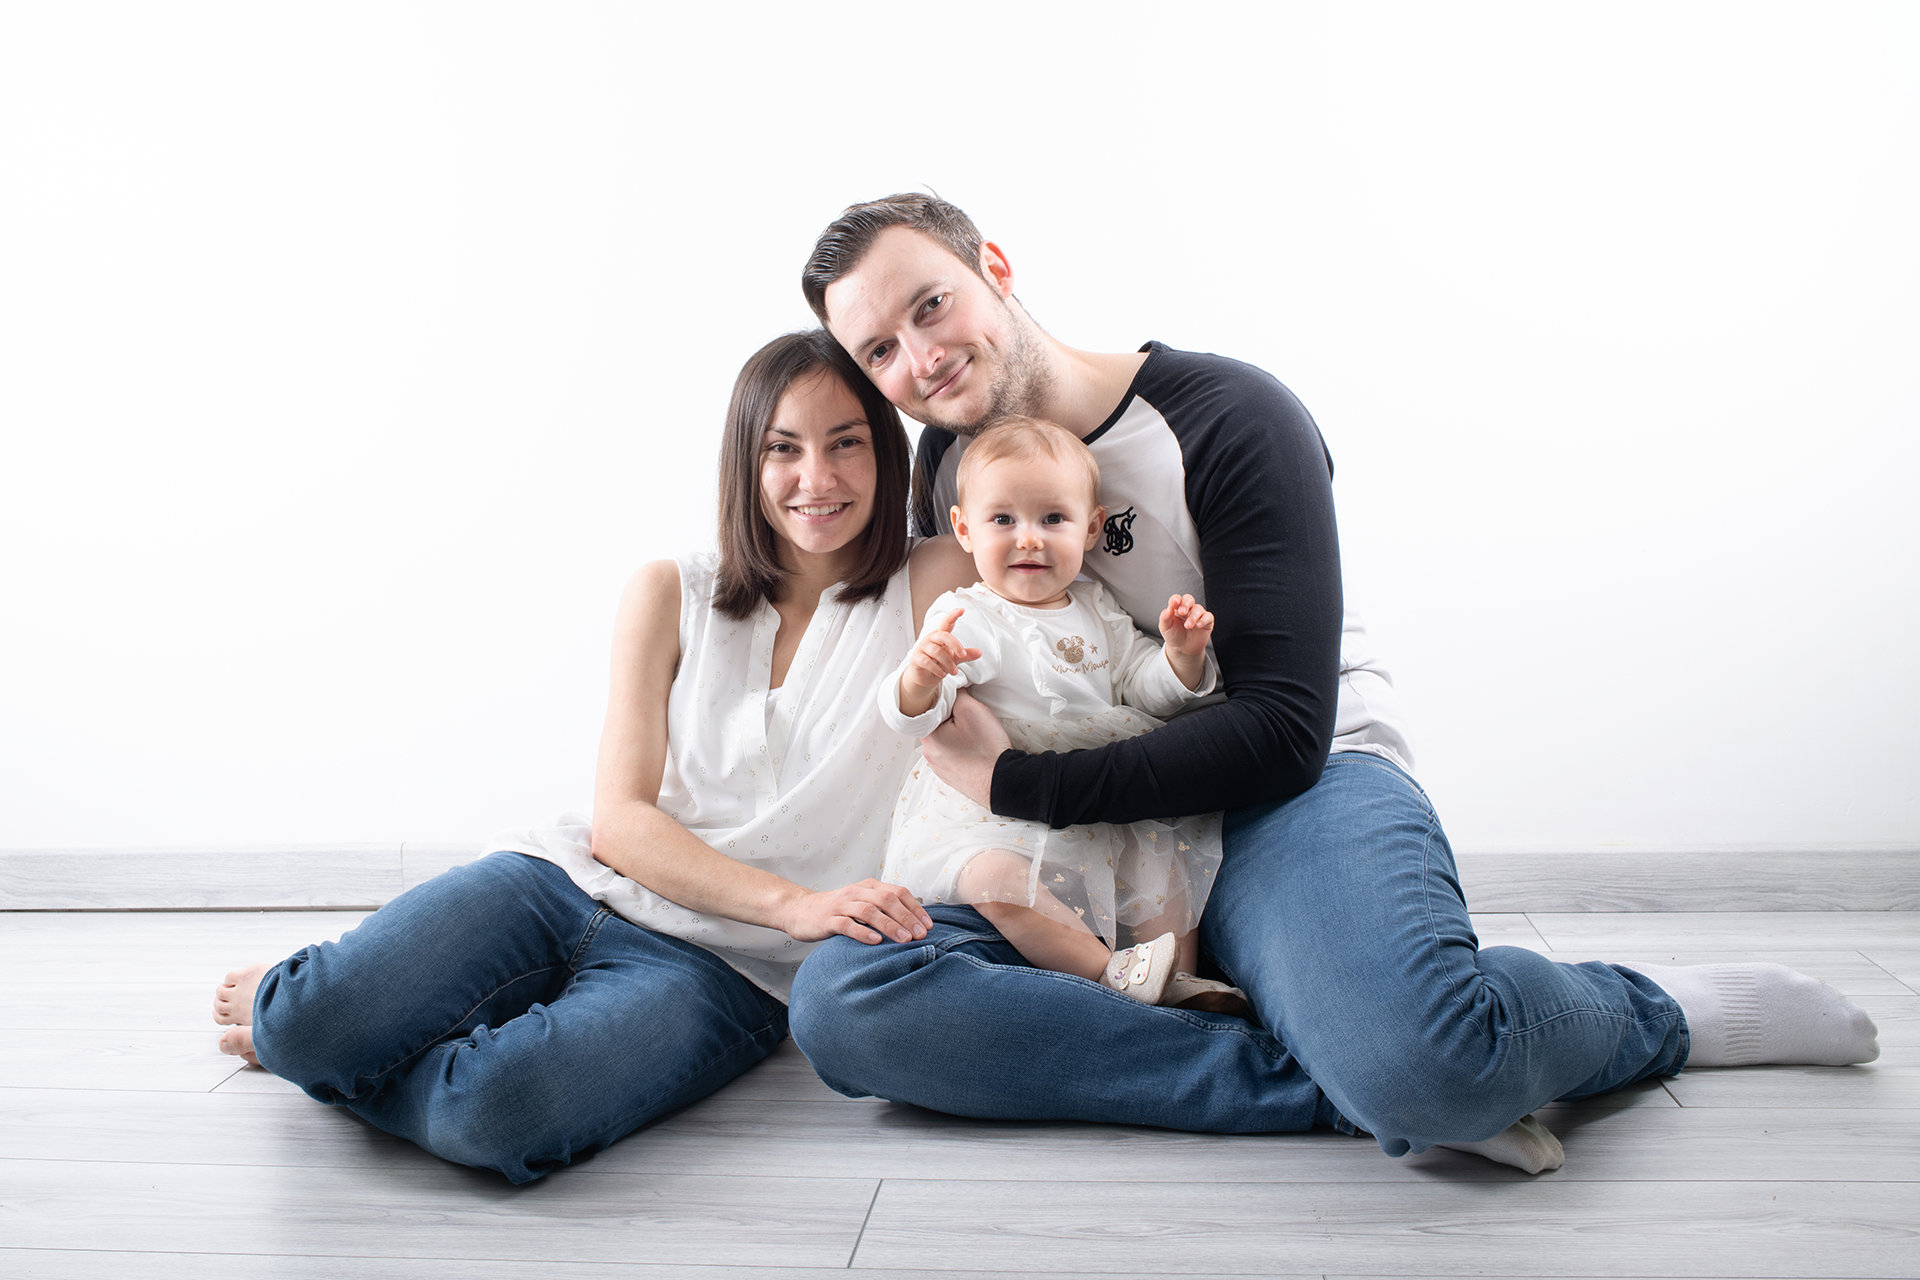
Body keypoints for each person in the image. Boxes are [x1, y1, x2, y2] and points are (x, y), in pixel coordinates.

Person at [787, 192, 1880, 1176]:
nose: (919, 359)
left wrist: (1015, 782)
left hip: (1286, 797)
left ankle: (1637, 1016)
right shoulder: (948, 473)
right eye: (880, 348)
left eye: (931, 307)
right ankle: (1354, 1070)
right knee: (847, 1004)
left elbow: (1283, 731)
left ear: (996, 266)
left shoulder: (1226, 416)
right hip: (1081, 842)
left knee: (1427, 1064)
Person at [210, 330, 975, 1183]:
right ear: (744, 464)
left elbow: (1033, 491)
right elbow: (620, 821)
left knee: (491, 1112)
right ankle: (312, 1035)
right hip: (559, 882)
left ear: (890, 452)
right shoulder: (670, 588)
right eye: (782, 450)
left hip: (729, 969)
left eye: (847, 444)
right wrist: (796, 902)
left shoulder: (934, 578)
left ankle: (318, 1047)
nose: (818, 480)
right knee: (313, 1021)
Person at [879, 415, 1247, 1013]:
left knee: (1163, 858)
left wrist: (1180, 658)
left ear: (1093, 528)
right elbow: (923, 718)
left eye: (1053, 519)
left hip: (1101, 795)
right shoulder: (967, 615)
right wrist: (921, 677)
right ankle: (1113, 975)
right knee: (991, 880)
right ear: (964, 529)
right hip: (997, 812)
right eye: (1003, 520)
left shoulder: (1097, 607)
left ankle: (1178, 980)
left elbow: (1136, 687)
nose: (1029, 538)